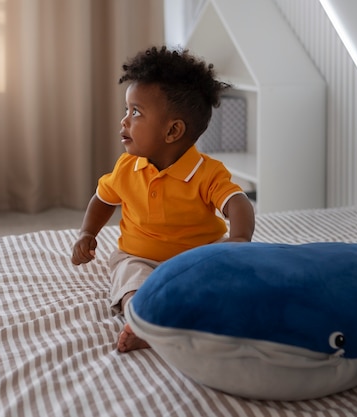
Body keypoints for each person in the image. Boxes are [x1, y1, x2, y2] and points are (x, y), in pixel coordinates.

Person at [71, 45, 255, 352]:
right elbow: (103, 199)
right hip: (139, 257)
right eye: (126, 110)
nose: (124, 121)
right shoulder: (127, 166)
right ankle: (145, 323)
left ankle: (196, 314)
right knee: (129, 280)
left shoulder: (206, 172)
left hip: (196, 258)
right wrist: (87, 232)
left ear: (173, 131)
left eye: (136, 112)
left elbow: (237, 202)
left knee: (228, 281)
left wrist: (239, 238)